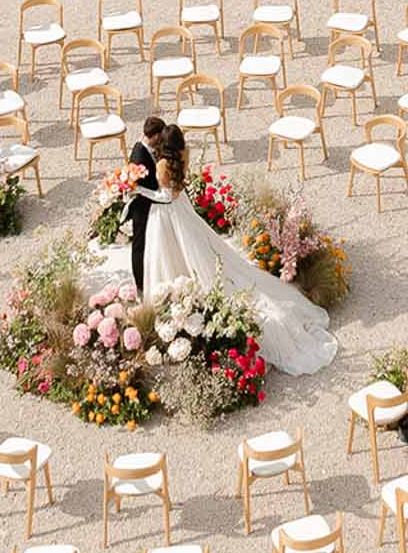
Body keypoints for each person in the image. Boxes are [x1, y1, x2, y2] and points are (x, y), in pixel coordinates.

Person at [138, 127, 338, 377]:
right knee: (199, 250)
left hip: (167, 214)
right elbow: (177, 190)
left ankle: (173, 293)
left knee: (168, 256)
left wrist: (139, 191)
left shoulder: (162, 165)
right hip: (182, 211)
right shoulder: (184, 155)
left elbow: (166, 196)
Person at [125, 114, 165, 296]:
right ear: (155, 136)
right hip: (142, 206)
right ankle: (140, 282)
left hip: (149, 202)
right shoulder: (139, 154)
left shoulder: (143, 147)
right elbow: (138, 185)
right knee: (139, 244)